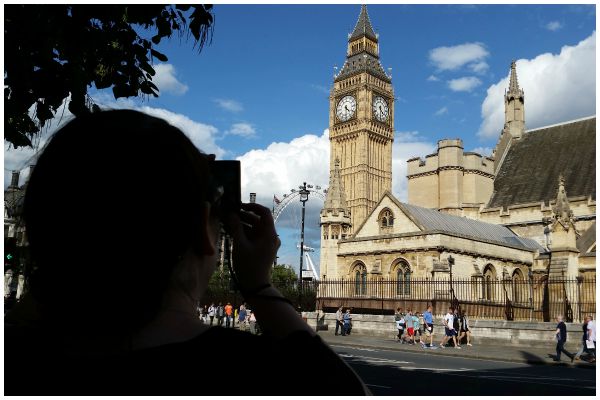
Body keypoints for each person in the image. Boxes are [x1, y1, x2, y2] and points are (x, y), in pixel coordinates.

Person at [4, 110, 369, 395]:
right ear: (202, 235)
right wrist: (258, 285)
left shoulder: (17, 359)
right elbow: (347, 390)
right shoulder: (249, 372)